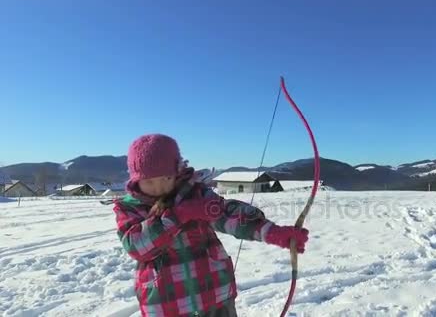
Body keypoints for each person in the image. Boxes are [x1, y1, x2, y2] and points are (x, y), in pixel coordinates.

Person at [112, 134, 309, 317]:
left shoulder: (195, 193)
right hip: (168, 305)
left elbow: (225, 213)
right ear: (136, 179)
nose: (158, 188)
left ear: (177, 172)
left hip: (216, 298)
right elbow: (137, 246)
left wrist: (272, 232)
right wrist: (177, 215)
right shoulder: (129, 208)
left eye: (166, 178)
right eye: (149, 181)